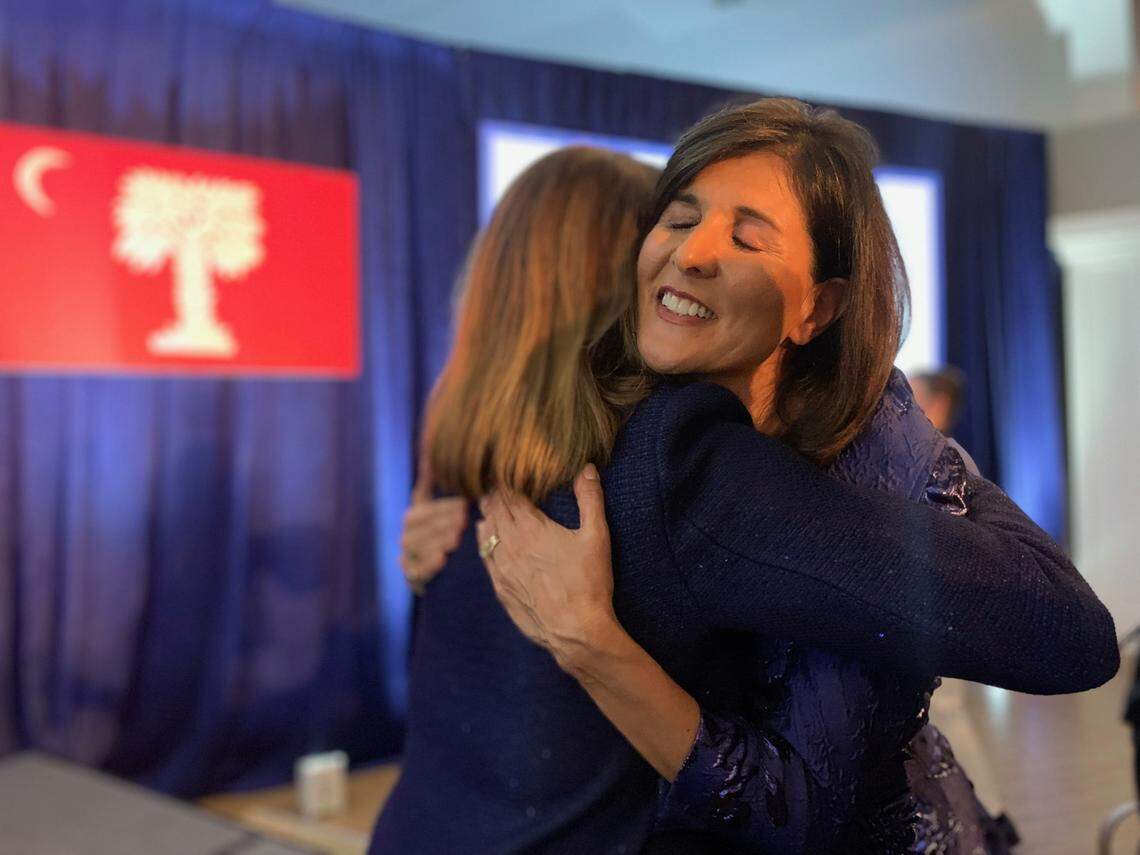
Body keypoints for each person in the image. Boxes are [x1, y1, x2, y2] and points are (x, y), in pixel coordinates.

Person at [379, 102, 1117, 852]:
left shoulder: (470, 453)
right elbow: (1068, 630)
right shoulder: (679, 459)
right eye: (674, 220)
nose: (690, 252)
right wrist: (882, 403)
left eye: (745, 236)